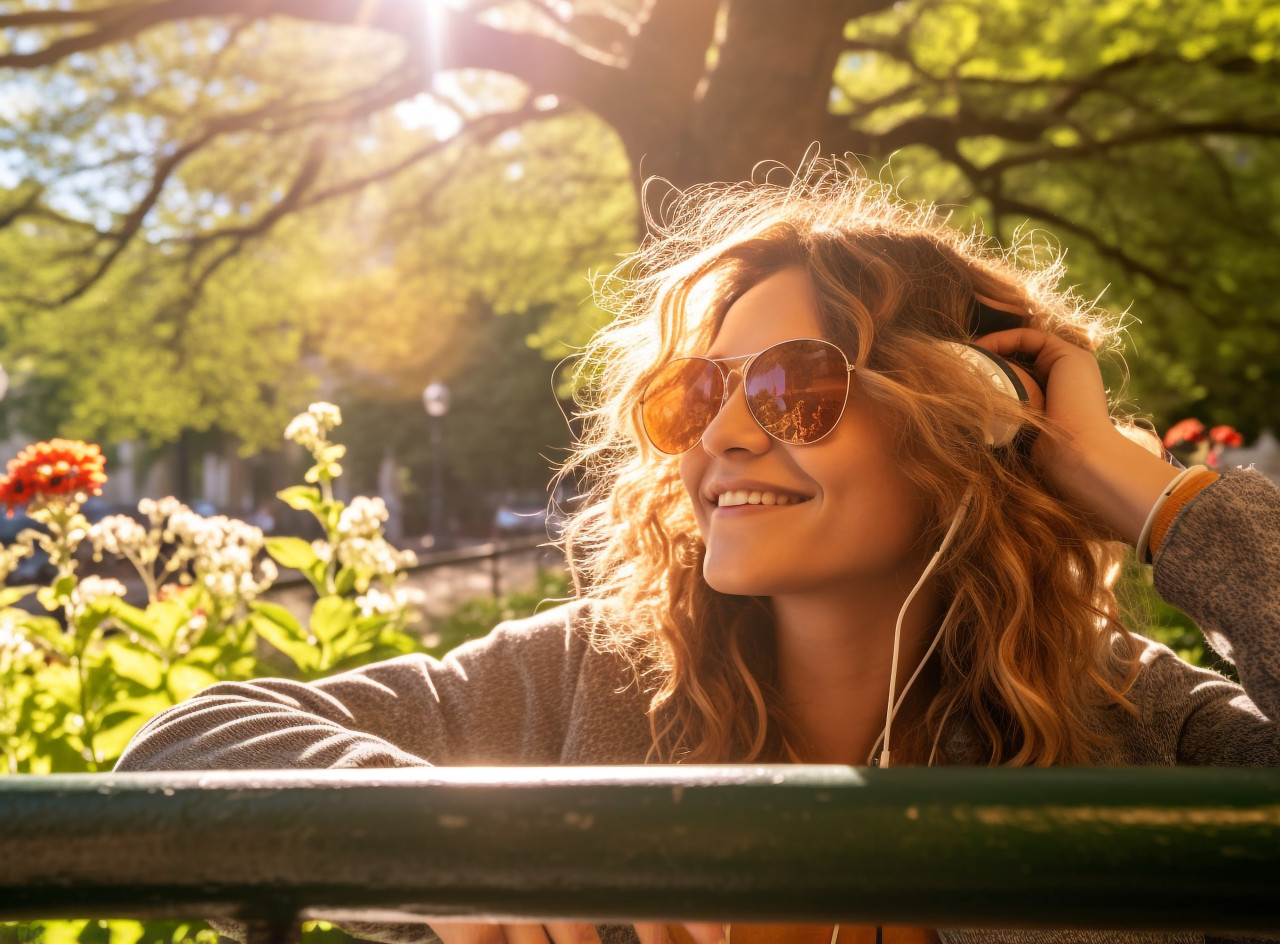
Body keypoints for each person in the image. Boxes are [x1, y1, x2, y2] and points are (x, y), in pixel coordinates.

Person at [116, 161, 1280, 944]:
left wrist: (1147, 494)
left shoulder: (1134, 721)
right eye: (699, 391)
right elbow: (179, 750)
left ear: (964, 416)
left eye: (791, 387)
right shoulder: (583, 676)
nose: (721, 431)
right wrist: (458, 831)